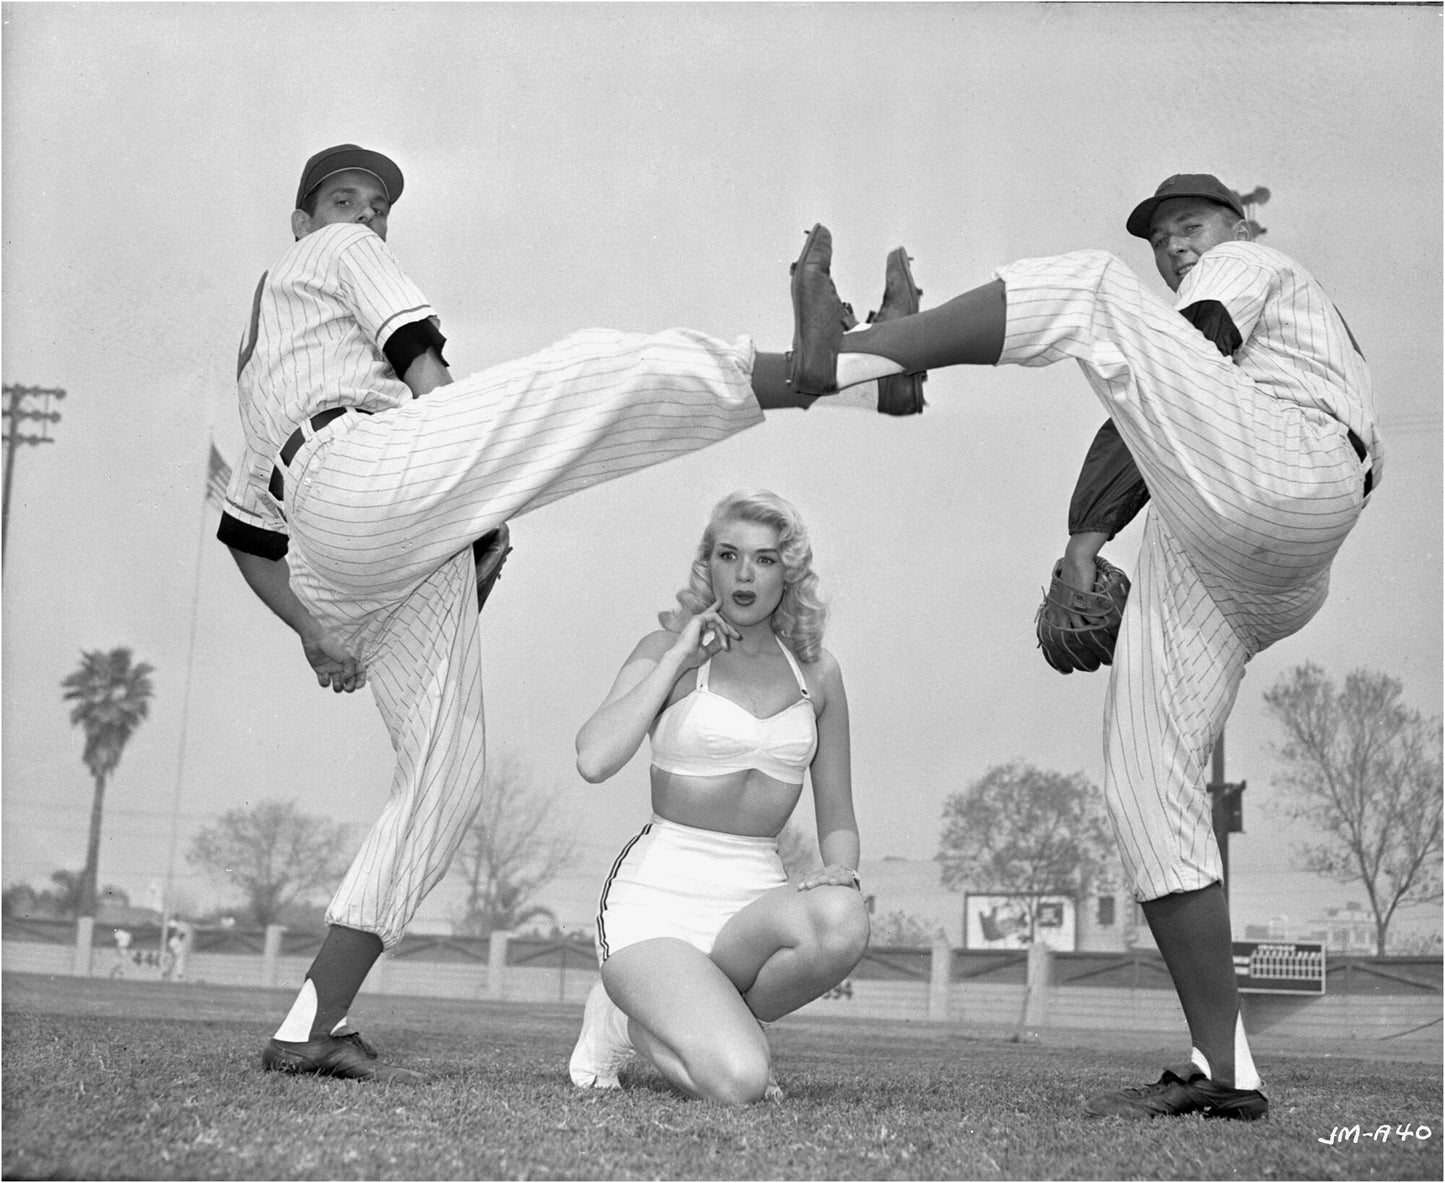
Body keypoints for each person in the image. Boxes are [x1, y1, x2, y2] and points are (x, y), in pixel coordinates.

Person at [217, 145, 915, 1083]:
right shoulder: (327, 253)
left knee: (443, 778)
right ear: (303, 220)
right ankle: (824, 371)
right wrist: (477, 469)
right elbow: (419, 358)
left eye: (379, 206)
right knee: (587, 375)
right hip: (369, 468)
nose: (366, 216)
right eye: (344, 201)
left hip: (361, 536)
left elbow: (248, 539)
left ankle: (310, 1020)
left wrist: (314, 626)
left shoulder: (256, 369)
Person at [785, 174, 1380, 1120]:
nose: (1176, 247)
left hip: (1294, 463)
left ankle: (859, 358)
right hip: (1241, 545)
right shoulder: (1202, 341)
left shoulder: (1251, 264)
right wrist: (1085, 541)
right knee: (1146, 779)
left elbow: (1182, 348)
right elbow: (1158, 405)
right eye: (1162, 237)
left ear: (1238, 224)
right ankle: (1225, 1067)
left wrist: (1081, 533)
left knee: (1093, 292)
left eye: (1190, 226)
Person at [566, 490, 869, 1105]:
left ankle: (693, 1018)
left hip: (750, 907)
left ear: (789, 572)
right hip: (657, 904)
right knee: (740, 1084)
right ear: (710, 564)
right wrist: (680, 652)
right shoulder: (666, 652)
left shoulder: (819, 674)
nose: (745, 574)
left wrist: (840, 870)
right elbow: (595, 758)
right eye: (729, 555)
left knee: (843, 918)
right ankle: (625, 1018)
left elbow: (837, 814)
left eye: (763, 558)